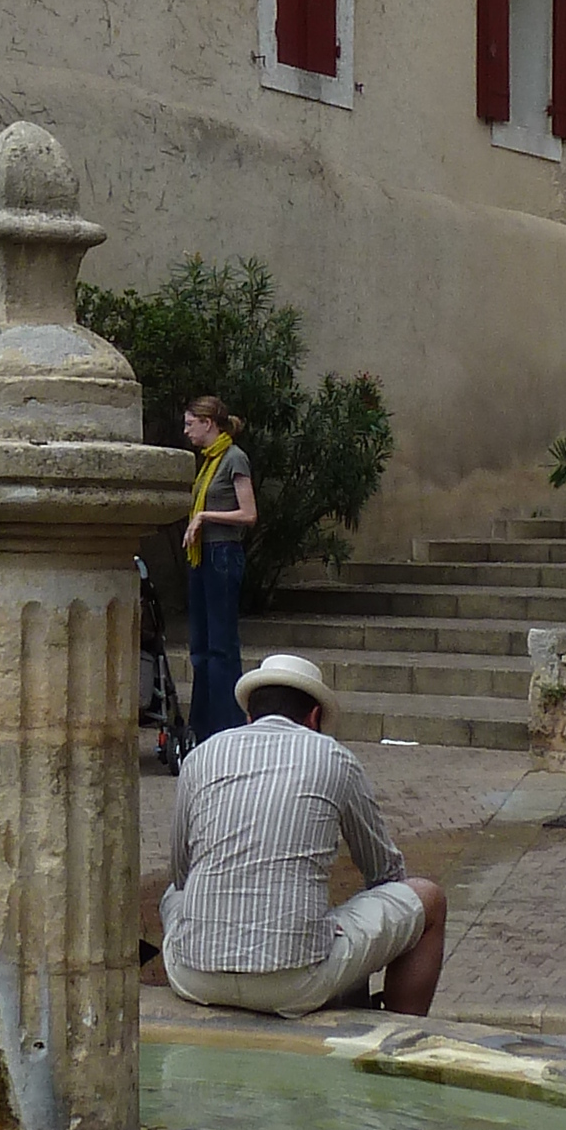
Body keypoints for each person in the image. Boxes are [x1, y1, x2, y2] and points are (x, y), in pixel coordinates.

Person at [158, 652, 446, 1018]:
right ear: (314, 717)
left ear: (249, 716)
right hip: (293, 983)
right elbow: (383, 872)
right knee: (429, 900)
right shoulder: (334, 757)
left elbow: (181, 874)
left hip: (193, 975)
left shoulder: (202, 755)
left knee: (173, 895)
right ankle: (399, 1037)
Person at [180, 395, 255, 745]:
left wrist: (204, 516)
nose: (186, 430)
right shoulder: (208, 461)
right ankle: (203, 724)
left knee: (221, 646)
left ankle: (227, 725)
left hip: (223, 552)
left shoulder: (233, 458)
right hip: (202, 556)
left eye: (190, 423)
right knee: (201, 646)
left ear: (208, 423)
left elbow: (248, 514)